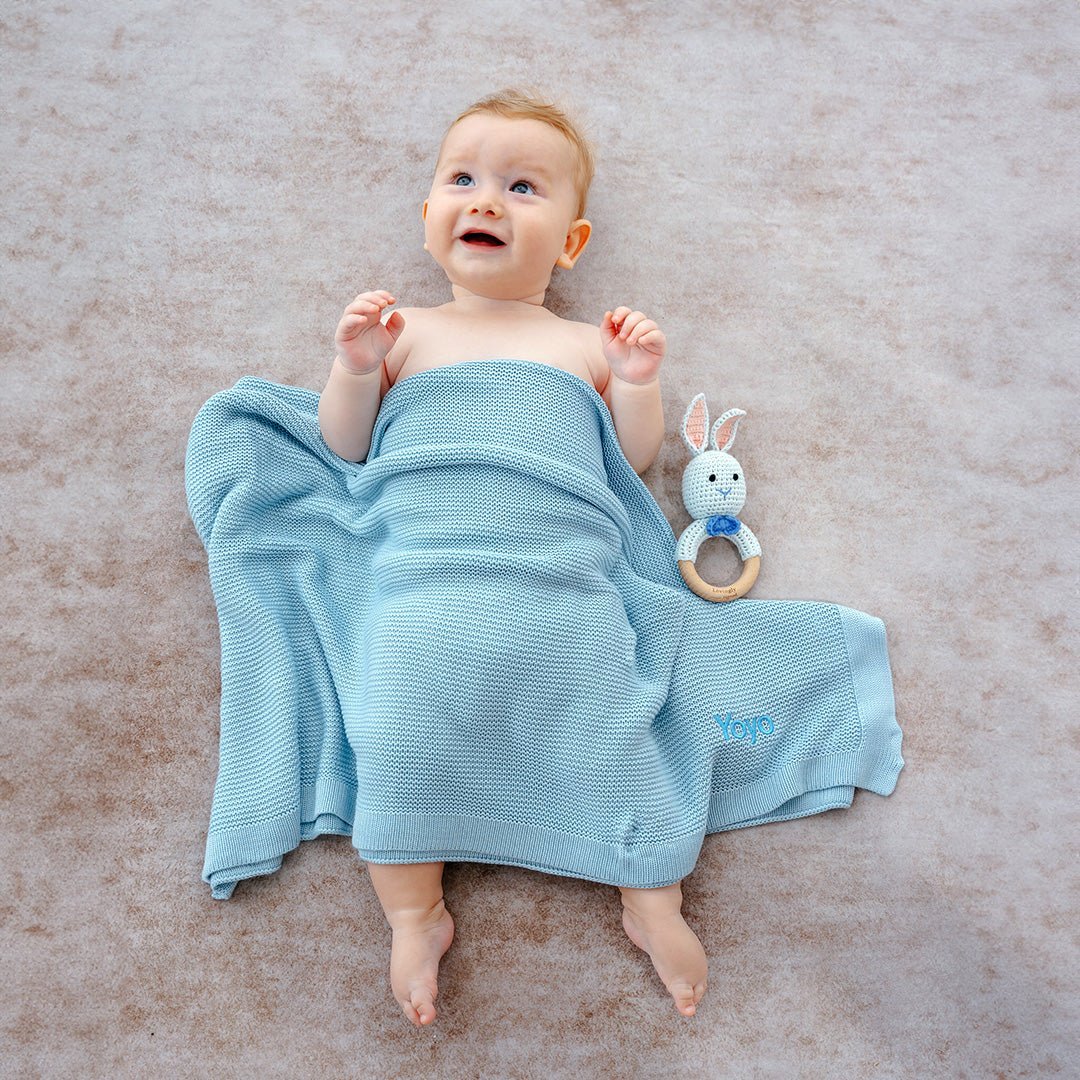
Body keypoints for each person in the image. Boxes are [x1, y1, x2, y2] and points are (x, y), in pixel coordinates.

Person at [317, 89, 708, 1026]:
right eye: (463, 180)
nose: (486, 201)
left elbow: (636, 457)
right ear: (428, 222)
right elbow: (347, 446)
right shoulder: (404, 329)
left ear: (569, 245)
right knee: (396, 735)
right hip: (427, 591)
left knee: (618, 729)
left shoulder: (582, 344)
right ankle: (415, 914)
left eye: (522, 187)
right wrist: (356, 366)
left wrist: (641, 382)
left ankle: (649, 898)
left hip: (561, 589)